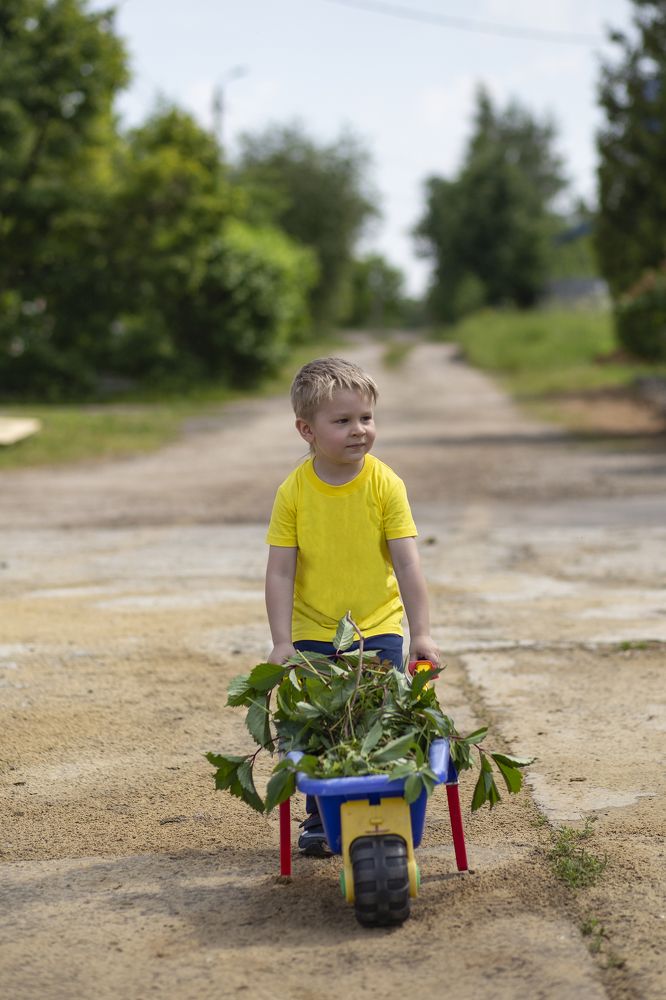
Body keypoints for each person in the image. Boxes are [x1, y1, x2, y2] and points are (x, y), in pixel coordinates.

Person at [265, 356, 440, 855]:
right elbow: (280, 571)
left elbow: (407, 566)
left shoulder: (386, 484)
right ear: (307, 430)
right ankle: (321, 818)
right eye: (342, 421)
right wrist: (282, 642)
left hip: (377, 627)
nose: (359, 430)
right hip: (314, 630)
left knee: (376, 722)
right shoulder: (294, 493)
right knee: (319, 725)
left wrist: (421, 632)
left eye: (365, 418)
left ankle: (378, 810)